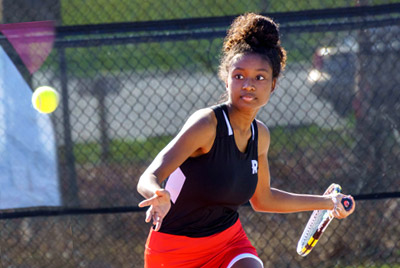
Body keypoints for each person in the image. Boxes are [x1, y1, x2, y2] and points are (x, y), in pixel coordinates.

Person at [137, 12, 355, 268]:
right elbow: (148, 176)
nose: (248, 85)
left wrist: (327, 203)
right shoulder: (206, 125)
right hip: (173, 251)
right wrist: (157, 193)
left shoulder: (260, 136)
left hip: (229, 243)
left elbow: (264, 200)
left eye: (259, 77)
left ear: (273, 84)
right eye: (239, 75)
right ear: (227, 79)